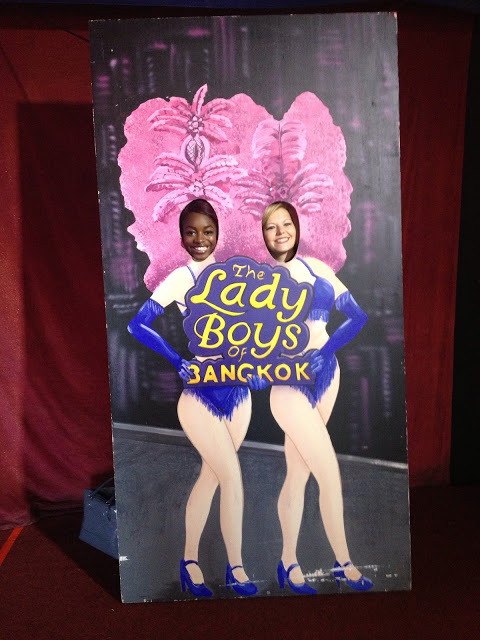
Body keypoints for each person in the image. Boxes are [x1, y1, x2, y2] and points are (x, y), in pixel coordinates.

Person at [128, 198, 257, 598]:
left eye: (207, 231)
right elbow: (138, 324)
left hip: (238, 391)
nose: (200, 239)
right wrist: (177, 360)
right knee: (232, 477)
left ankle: (188, 562)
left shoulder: (234, 273)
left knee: (212, 476)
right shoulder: (180, 279)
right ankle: (237, 568)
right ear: (182, 236)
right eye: (191, 232)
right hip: (200, 392)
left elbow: (256, 326)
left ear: (218, 233)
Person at [262, 200, 373, 593]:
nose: (281, 232)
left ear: (297, 227)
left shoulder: (319, 269)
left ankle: (287, 561)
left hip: (327, 376)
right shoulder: (253, 279)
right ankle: (344, 563)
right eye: (272, 226)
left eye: (286, 223)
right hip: (288, 384)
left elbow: (357, 316)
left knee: (299, 472)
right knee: (327, 471)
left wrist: (325, 352)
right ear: (263, 234)